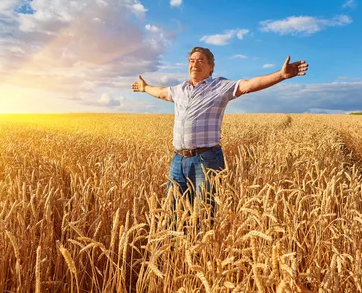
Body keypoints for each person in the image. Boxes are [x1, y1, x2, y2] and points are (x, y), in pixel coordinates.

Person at [131, 47, 308, 228]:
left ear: (210, 68)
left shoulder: (219, 87)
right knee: (173, 211)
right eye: (192, 60)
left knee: (204, 214)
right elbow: (160, 92)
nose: (194, 64)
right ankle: (174, 252)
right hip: (178, 159)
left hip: (206, 160)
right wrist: (145, 88)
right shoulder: (180, 89)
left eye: (200, 61)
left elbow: (248, 85)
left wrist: (280, 75)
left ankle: (200, 253)